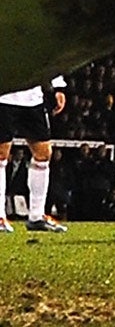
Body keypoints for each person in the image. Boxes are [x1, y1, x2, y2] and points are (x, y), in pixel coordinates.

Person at [0, 74, 68, 233]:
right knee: (2, 154)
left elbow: (47, 54)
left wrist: (58, 87)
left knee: (44, 154)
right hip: (4, 98)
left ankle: (37, 216)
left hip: (33, 100)